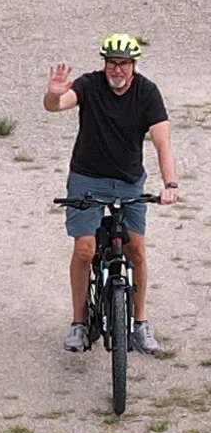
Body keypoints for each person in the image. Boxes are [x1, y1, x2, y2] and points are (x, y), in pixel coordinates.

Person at [44, 33, 179, 353]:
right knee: (84, 250)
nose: (116, 70)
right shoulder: (90, 85)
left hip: (129, 180)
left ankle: (140, 324)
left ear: (133, 66)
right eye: (111, 63)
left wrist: (170, 184)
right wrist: (52, 95)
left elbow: (163, 143)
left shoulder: (147, 93)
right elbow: (58, 105)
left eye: (123, 64)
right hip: (87, 178)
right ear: (103, 64)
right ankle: (78, 323)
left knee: (137, 252)